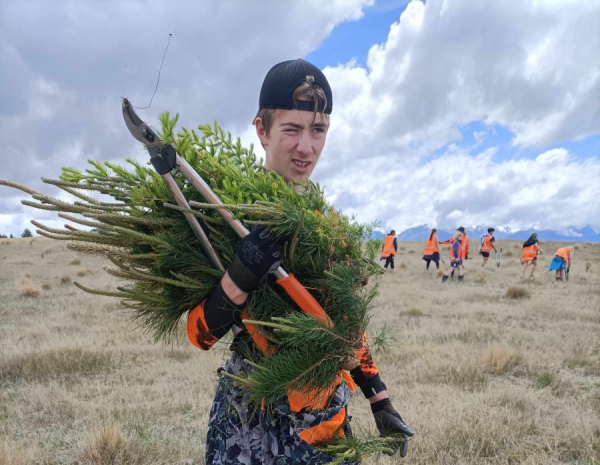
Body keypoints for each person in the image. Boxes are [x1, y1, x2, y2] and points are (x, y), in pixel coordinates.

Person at [185, 59, 413, 465]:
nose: (306, 147)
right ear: (262, 130)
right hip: (248, 421)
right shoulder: (222, 217)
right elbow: (199, 335)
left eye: (318, 129)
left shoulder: (329, 228)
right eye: (291, 129)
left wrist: (380, 399)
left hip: (322, 421)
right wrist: (241, 273)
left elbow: (344, 328)